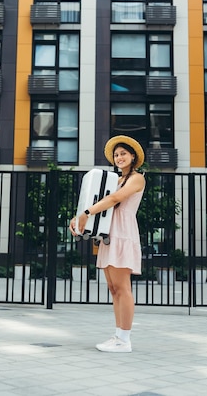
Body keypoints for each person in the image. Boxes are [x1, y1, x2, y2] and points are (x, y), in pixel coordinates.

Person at [69, 135, 146, 353]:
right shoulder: (115, 179)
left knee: (122, 287)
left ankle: (125, 339)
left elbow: (113, 200)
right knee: (113, 288)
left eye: (123, 153)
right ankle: (118, 335)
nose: (119, 157)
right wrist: (77, 218)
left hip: (123, 233)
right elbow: (96, 200)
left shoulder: (137, 178)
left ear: (133, 156)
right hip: (110, 233)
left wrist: (86, 213)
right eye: (116, 154)